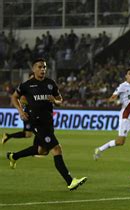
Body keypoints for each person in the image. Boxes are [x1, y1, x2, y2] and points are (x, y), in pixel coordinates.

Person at [6, 58, 87, 190]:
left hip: (48, 122)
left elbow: (60, 99)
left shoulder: (51, 83)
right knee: (56, 149)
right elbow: (14, 97)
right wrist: (21, 111)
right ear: (33, 69)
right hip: (36, 122)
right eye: (39, 67)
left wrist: (55, 100)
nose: (43, 69)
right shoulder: (27, 85)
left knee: (42, 150)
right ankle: (70, 181)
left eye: (44, 67)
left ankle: (13, 156)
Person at [93, 67, 130, 164]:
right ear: (126, 76)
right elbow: (112, 98)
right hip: (126, 117)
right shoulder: (122, 86)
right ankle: (99, 149)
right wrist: (116, 100)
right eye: (129, 74)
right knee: (120, 142)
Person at [2, 72, 35, 144]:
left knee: (30, 134)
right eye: (32, 78)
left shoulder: (37, 87)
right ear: (29, 78)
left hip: (35, 112)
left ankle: (8, 136)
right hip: (28, 112)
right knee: (29, 134)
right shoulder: (26, 87)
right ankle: (38, 150)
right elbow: (21, 99)